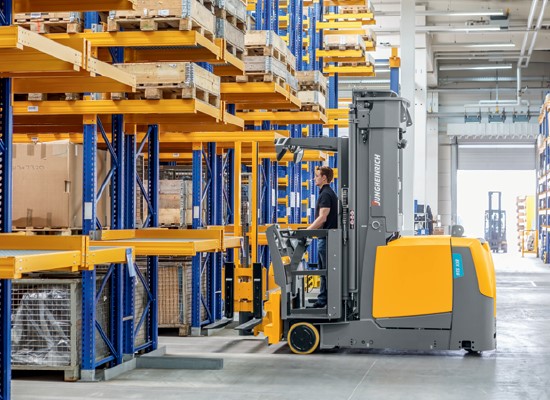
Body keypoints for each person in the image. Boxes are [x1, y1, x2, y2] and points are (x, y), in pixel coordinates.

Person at [307, 166, 338, 308]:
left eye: (317, 176)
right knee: (324, 270)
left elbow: (322, 218)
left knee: (325, 270)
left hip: (326, 239)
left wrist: (307, 231)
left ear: (324, 177)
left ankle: (325, 300)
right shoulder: (327, 193)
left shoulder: (325, 194)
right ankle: (323, 299)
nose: (315, 178)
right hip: (326, 238)